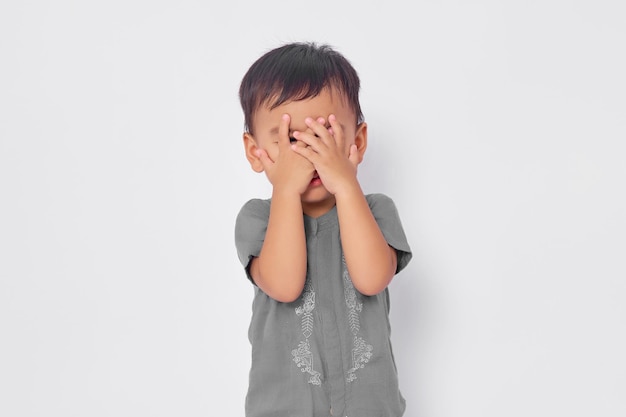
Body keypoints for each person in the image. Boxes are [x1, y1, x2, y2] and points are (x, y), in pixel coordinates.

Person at [234, 42, 412, 417]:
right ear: (255, 151)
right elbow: (284, 285)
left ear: (357, 142)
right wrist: (285, 188)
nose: (310, 154)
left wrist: (346, 185)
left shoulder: (377, 211)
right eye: (291, 140)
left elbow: (371, 278)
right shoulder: (256, 219)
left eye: (324, 135)